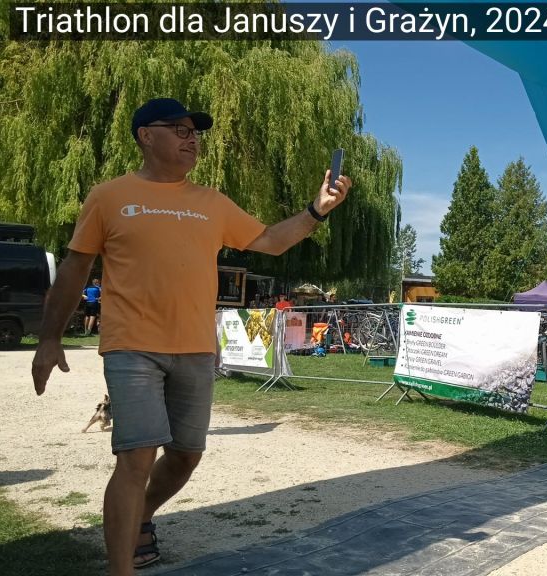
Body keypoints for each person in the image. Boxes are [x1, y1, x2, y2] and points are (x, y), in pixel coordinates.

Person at [30, 97, 352, 576]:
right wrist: (49, 338)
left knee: (185, 456)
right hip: (131, 346)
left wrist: (317, 210)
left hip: (196, 349)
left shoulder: (211, 202)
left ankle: (140, 516)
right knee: (136, 458)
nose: (192, 139)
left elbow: (270, 240)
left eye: (194, 132)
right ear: (146, 135)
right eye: (179, 130)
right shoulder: (108, 196)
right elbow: (76, 268)